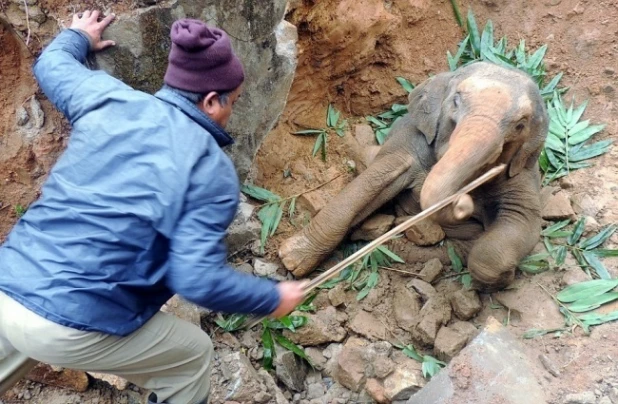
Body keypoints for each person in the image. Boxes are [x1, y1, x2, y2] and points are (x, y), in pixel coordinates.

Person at [0, 10, 306, 404]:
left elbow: (51, 64)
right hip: (69, 324)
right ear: (212, 100)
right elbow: (197, 280)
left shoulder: (107, 97)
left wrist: (78, 35)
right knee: (192, 354)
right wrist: (271, 298)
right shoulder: (210, 171)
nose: (232, 113)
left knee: (28, 328)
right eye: (235, 102)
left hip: (9, 285)